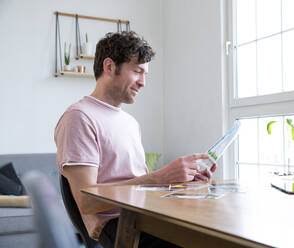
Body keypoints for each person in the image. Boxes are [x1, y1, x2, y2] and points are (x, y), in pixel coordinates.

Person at [54, 31, 216, 248]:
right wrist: (159, 177)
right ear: (109, 66)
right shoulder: (79, 117)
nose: (143, 83)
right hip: (120, 226)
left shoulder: (130, 122)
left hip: (147, 215)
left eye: (145, 74)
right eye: (138, 71)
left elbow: (139, 186)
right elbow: (87, 200)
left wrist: (179, 181)